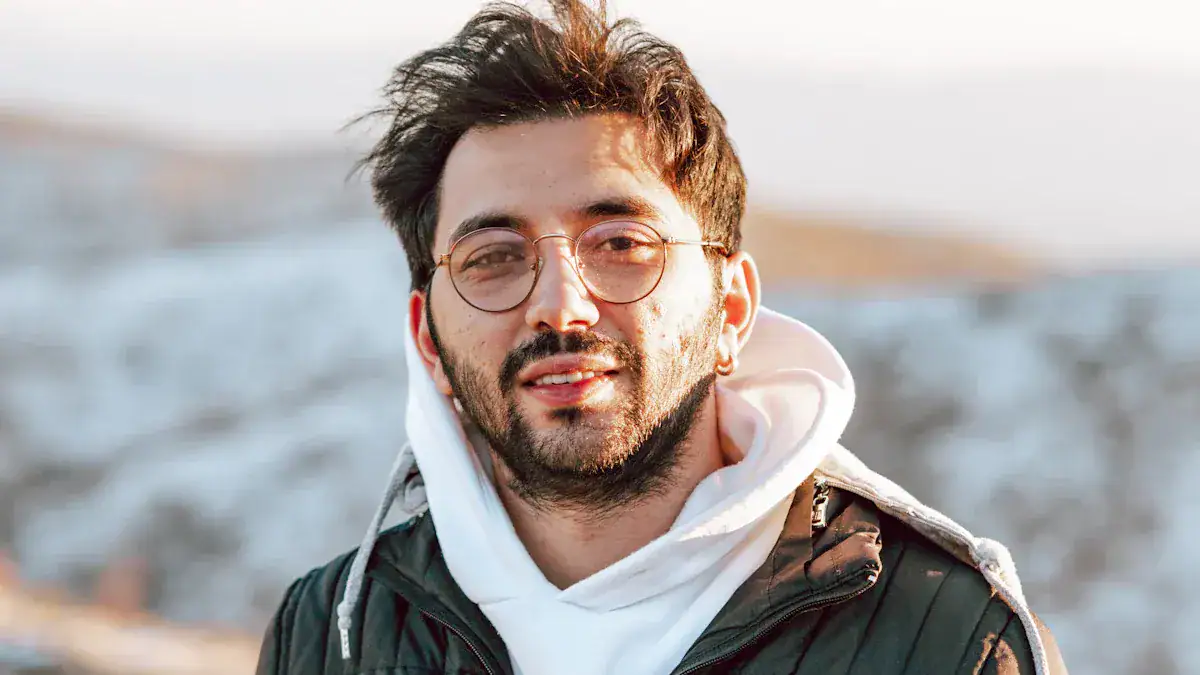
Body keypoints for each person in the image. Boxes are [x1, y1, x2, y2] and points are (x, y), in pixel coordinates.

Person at [256, 1, 1068, 673]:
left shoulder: (947, 636)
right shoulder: (333, 633)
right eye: (493, 258)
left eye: (620, 245)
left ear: (732, 307)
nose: (561, 307)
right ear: (427, 339)